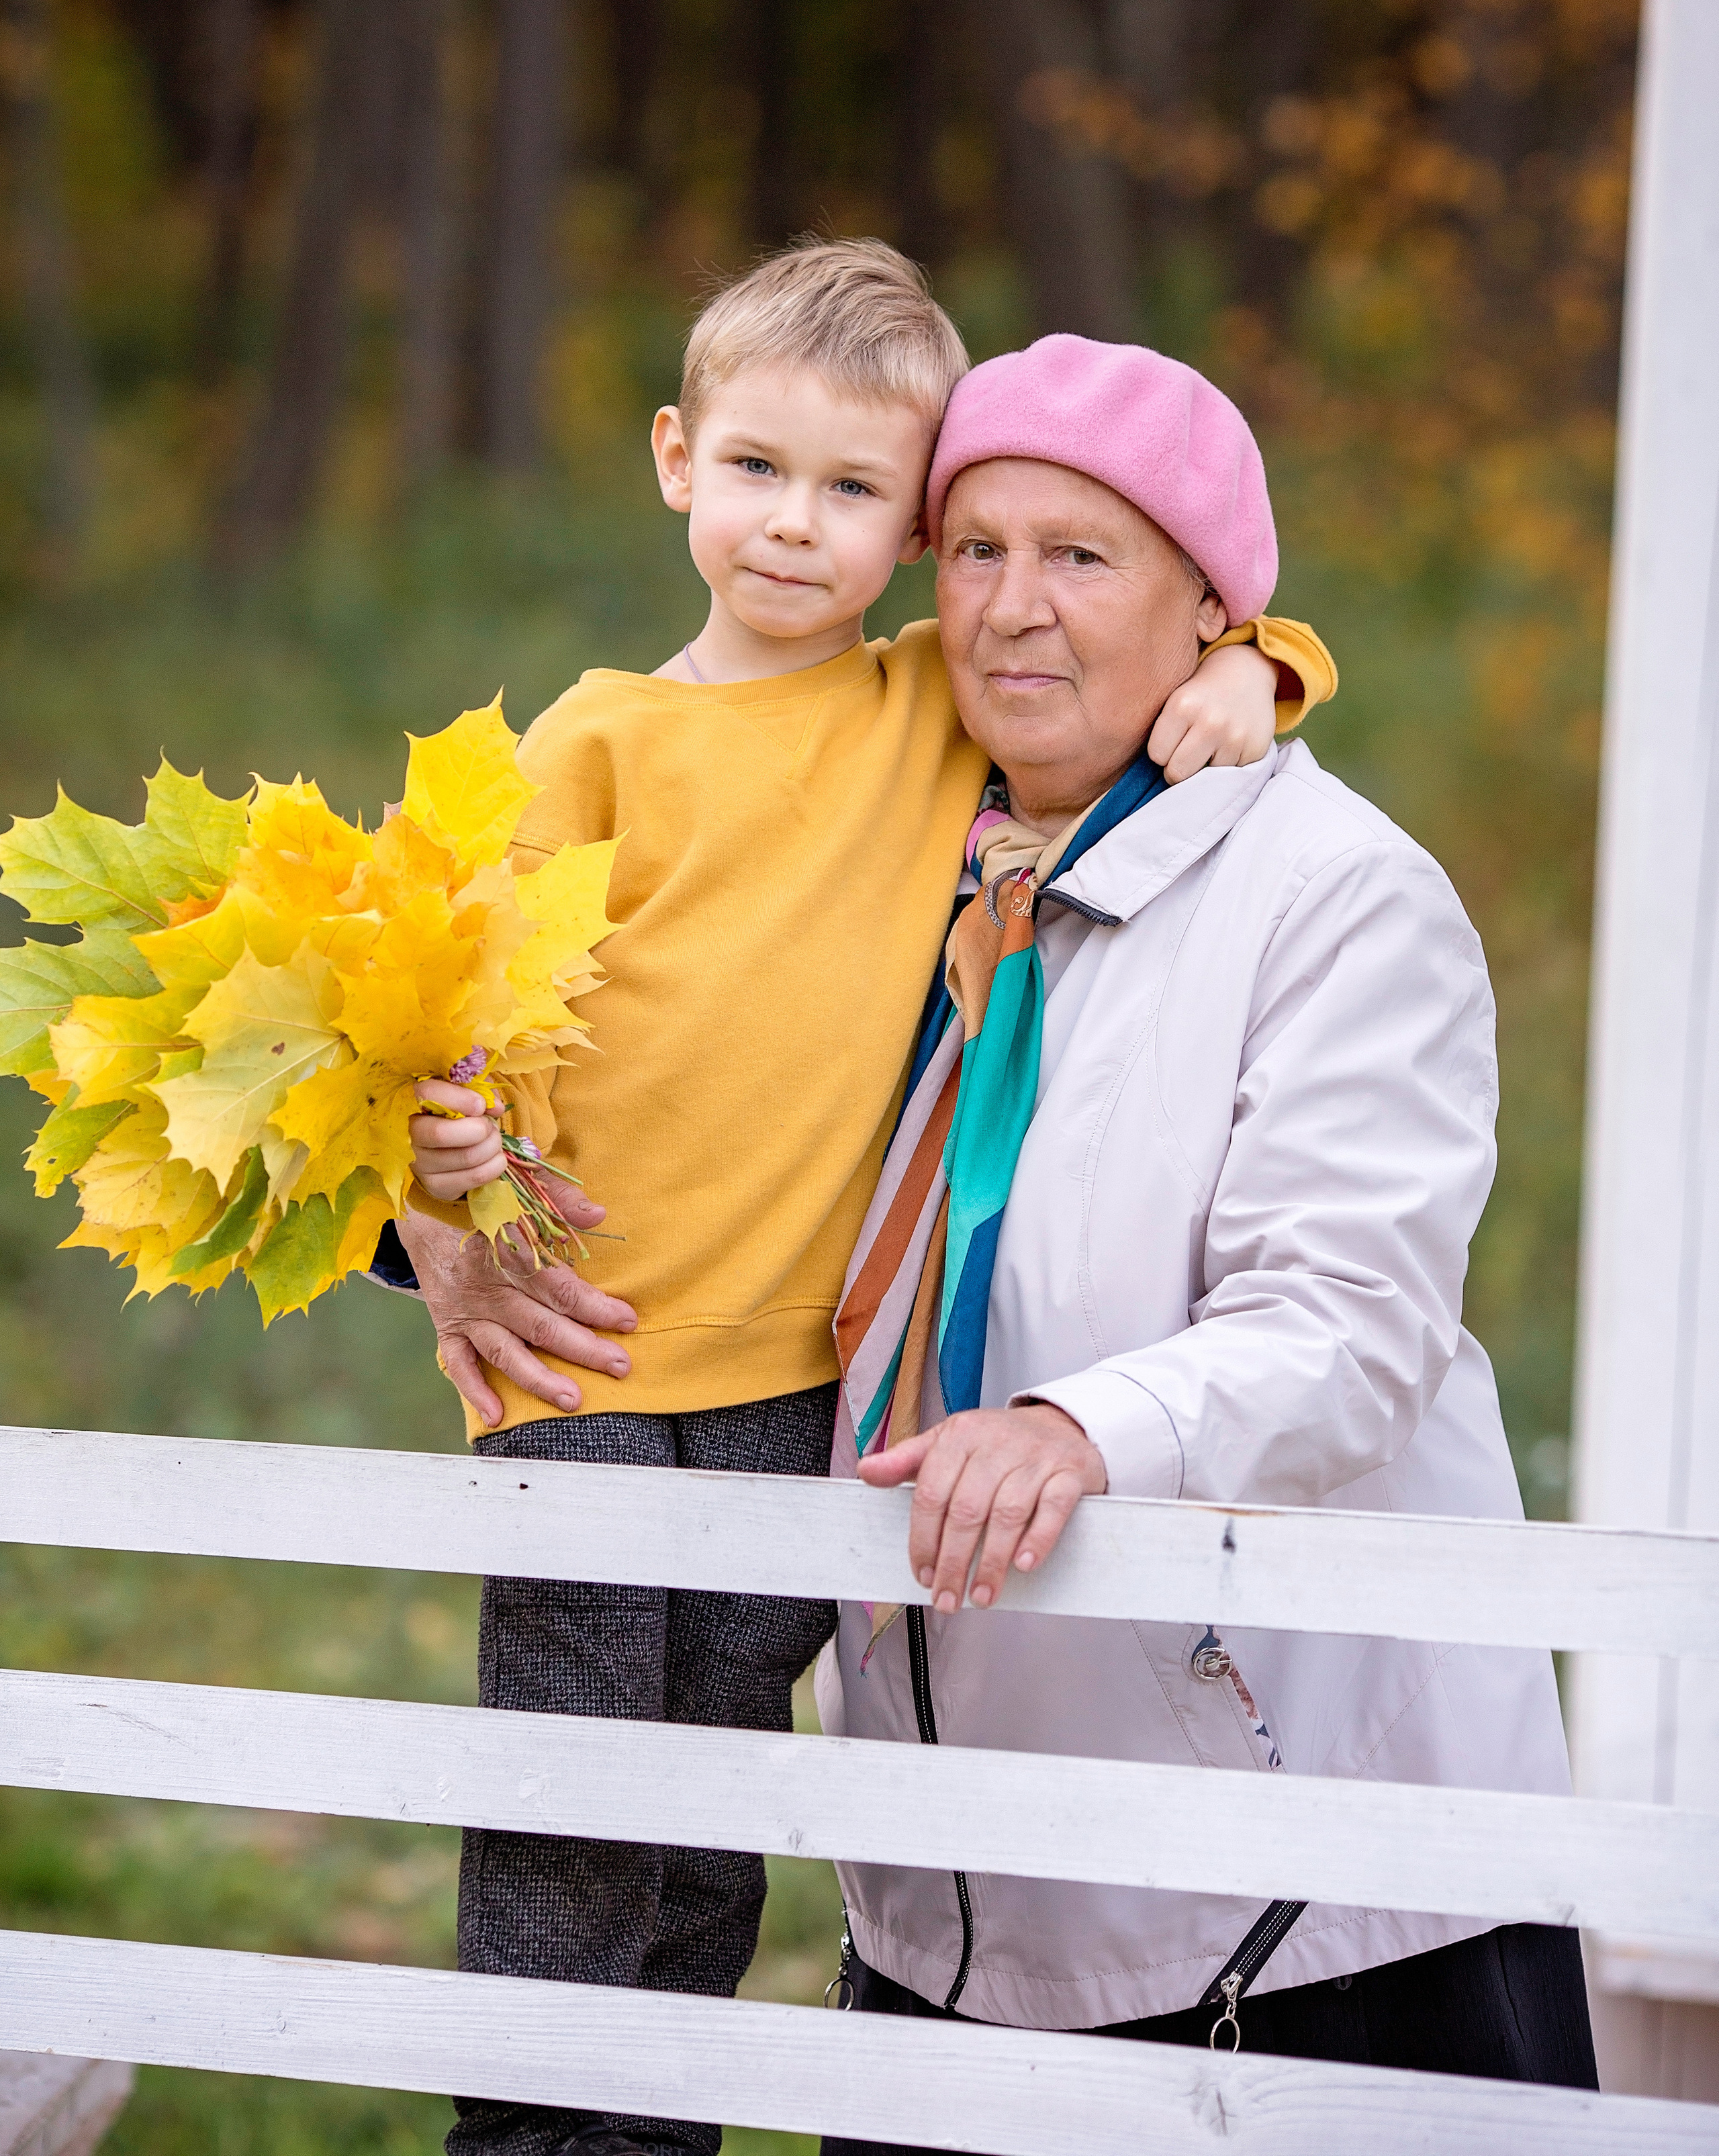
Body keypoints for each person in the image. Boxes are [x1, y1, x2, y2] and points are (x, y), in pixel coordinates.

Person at [389, 242, 1337, 2156]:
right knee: (573, 1807)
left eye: (850, 490)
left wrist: (1263, 668)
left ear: (912, 530)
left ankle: (660, 2130)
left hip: (799, 1383)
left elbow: (1156, 634)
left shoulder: (931, 705)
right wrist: (443, 1169)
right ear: (677, 458)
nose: (791, 524)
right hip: (586, 1359)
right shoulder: (588, 743)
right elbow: (432, 1013)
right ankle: (534, 2140)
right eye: (755, 468)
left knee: (714, 1818)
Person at [815, 334, 1596, 2150]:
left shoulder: (1338, 894)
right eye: (977, 548)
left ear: (1214, 616)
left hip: (1322, 1899)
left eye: (1082, 556)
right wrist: (445, 1212)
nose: (1014, 606)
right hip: (947, 1901)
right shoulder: (889, 878)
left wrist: (1080, 1428)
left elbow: (1351, 1326)